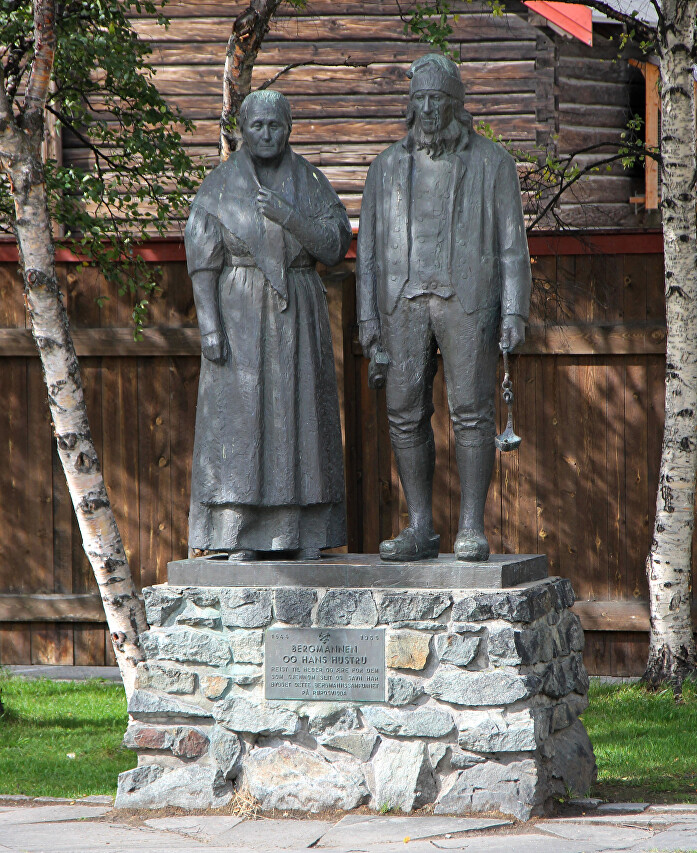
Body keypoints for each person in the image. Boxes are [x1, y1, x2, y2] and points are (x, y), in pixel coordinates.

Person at [356, 54, 531, 562]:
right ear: (409, 107)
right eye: (420, 100)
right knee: (403, 414)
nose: (429, 109)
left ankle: (472, 528)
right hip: (401, 303)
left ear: (456, 105)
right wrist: (367, 318)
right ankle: (420, 528)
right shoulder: (385, 167)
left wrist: (514, 311)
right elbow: (366, 252)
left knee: (473, 413)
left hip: (467, 299)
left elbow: (512, 246)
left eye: (438, 99)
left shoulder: (492, 163)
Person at [185, 89, 351, 561]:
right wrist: (210, 325)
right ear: (243, 128)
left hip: (298, 312)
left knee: (301, 419)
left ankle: (302, 533)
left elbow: (335, 244)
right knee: (241, 422)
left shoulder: (311, 181)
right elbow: (202, 260)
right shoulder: (218, 186)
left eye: (275, 125)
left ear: (289, 128)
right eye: (257, 125)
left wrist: (290, 217)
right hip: (238, 313)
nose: (266, 133)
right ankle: (240, 534)